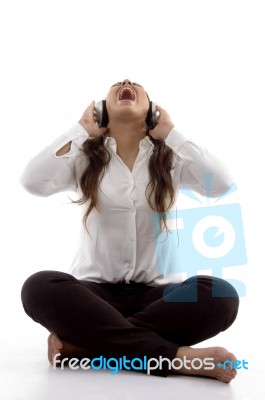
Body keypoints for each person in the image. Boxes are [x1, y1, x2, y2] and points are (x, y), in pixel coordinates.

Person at [20, 79, 239, 383]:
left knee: (222, 296)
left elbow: (222, 184)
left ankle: (84, 347)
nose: (126, 82)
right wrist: (80, 130)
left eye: (137, 85)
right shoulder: (84, 157)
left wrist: (172, 135)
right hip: (95, 297)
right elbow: (32, 182)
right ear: (101, 111)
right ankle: (177, 359)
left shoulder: (170, 157)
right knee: (38, 287)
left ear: (152, 111)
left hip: (157, 297)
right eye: (116, 85)